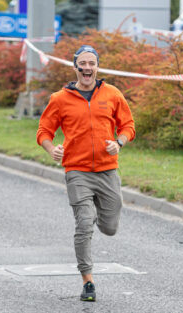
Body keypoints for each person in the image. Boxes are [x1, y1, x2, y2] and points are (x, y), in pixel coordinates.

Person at [36, 45, 136, 301]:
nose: (87, 68)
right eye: (83, 63)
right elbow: (44, 131)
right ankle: (88, 281)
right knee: (83, 224)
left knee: (111, 227)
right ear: (75, 67)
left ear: (97, 67)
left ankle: (98, 217)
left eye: (92, 63)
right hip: (77, 170)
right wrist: (51, 149)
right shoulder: (60, 99)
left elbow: (128, 125)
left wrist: (119, 142)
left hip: (107, 170)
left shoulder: (112, 94)